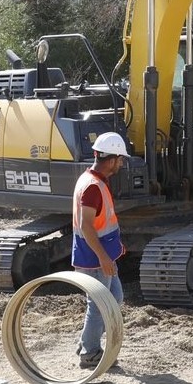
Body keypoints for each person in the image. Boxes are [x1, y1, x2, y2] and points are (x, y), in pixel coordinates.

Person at [73, 132, 129, 369]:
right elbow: (86, 225)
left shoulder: (93, 180)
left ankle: (87, 339)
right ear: (112, 158)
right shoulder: (93, 187)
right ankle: (90, 353)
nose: (123, 163)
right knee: (98, 306)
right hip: (94, 259)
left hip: (102, 256)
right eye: (121, 159)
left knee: (115, 298)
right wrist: (103, 258)